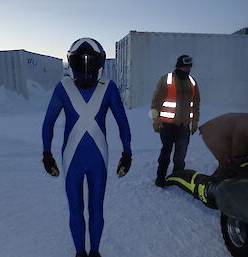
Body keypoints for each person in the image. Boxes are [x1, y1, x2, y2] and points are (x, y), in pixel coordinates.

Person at [42, 38, 132, 257]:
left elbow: (48, 123)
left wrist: (47, 154)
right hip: (97, 156)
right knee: (94, 209)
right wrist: (126, 153)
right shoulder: (107, 88)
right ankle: (93, 253)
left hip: (72, 157)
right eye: (81, 62)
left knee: (78, 210)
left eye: (88, 62)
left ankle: (83, 253)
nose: (85, 68)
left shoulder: (64, 88)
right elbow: (123, 123)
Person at [150, 55, 200, 187]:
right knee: (166, 153)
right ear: (178, 66)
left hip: (184, 126)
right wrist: (155, 120)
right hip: (167, 125)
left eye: (189, 67)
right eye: (184, 66)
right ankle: (160, 179)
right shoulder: (166, 80)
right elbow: (155, 103)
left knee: (180, 156)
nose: (187, 69)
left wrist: (195, 121)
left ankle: (178, 178)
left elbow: (196, 103)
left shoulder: (192, 82)